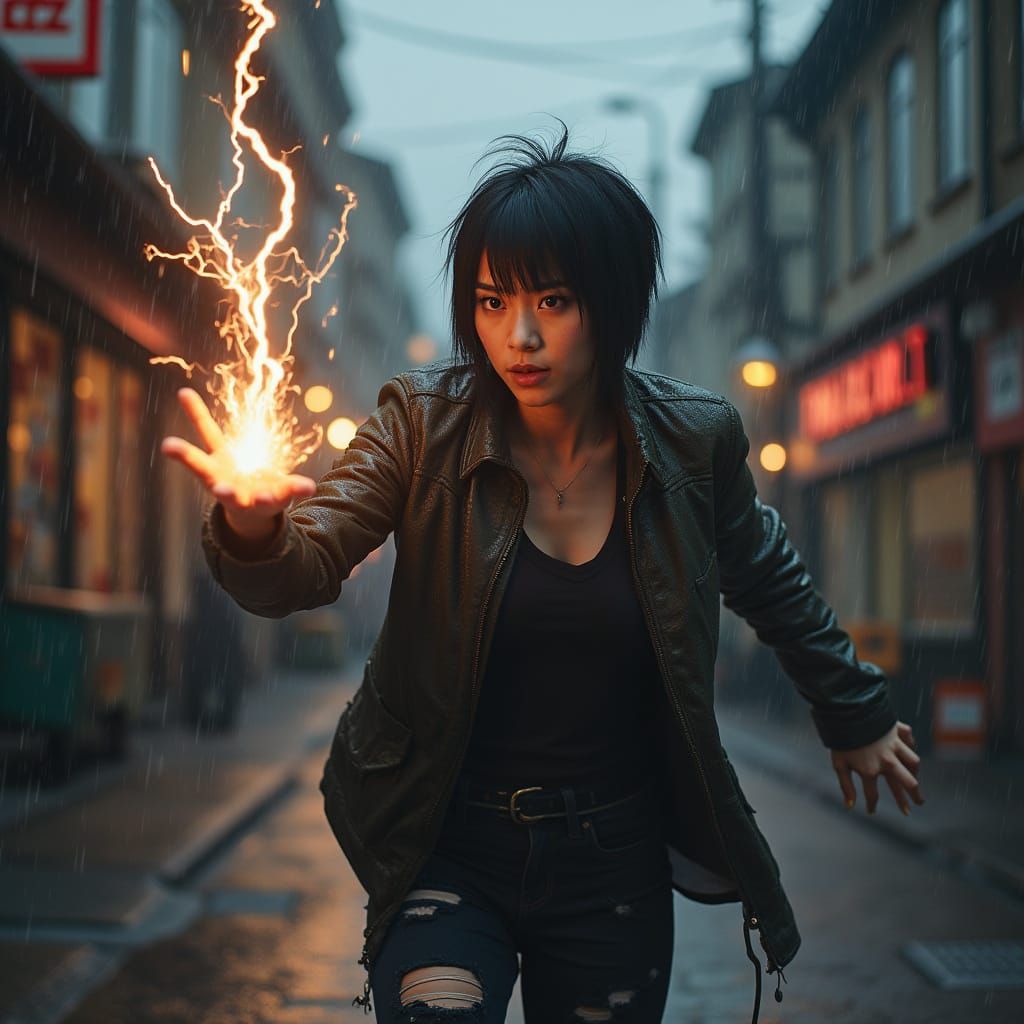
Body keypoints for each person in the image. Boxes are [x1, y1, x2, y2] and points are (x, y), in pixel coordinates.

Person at [162, 126, 924, 1024]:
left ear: (611, 301)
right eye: (490, 301)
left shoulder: (692, 440)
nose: (517, 336)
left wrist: (854, 710)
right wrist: (254, 529)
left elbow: (768, 579)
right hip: (446, 842)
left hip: (614, 858)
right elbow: (311, 559)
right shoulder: (421, 424)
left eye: (553, 301)